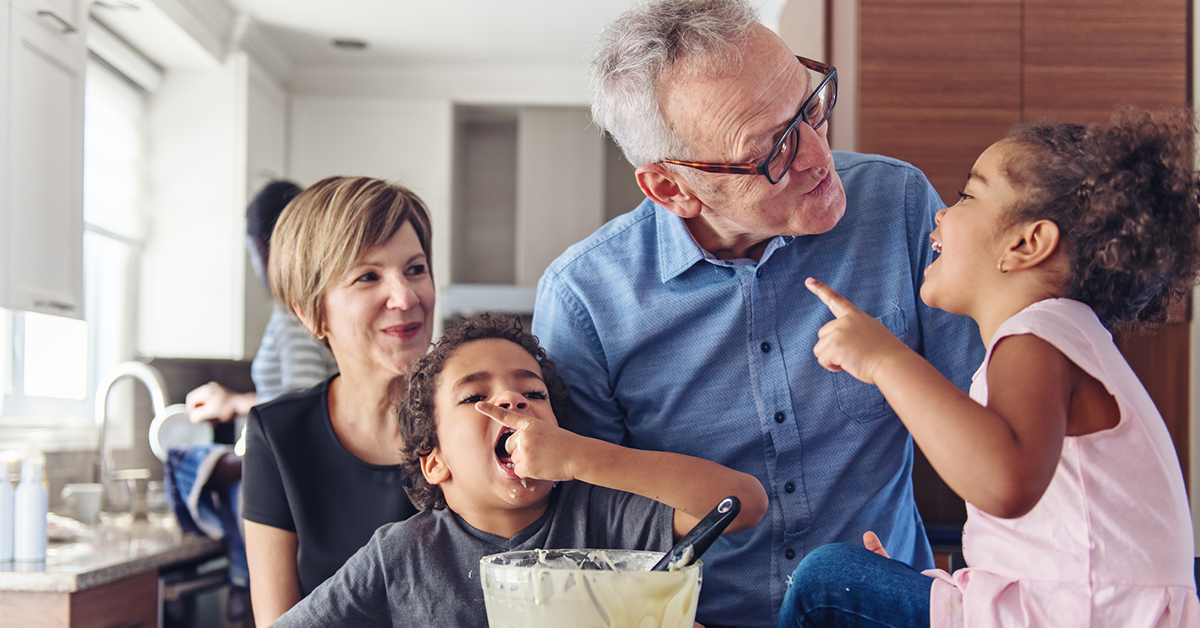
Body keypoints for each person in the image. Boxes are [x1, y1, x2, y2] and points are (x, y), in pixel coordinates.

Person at [531, 1, 983, 625]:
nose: (818, 155)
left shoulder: (898, 205)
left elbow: (992, 423)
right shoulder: (584, 302)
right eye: (771, 151)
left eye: (810, 108)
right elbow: (590, 520)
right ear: (672, 188)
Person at [785, 109, 1200, 627]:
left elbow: (1005, 483)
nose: (941, 214)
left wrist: (885, 358)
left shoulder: (1038, 336)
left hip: (1080, 612)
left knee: (824, 582)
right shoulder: (1061, 339)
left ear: (1026, 244)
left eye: (967, 195)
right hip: (1063, 604)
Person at [273, 313, 768, 627]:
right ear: (435, 462)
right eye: (475, 397)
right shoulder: (400, 556)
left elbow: (743, 502)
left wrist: (583, 457)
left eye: (533, 394)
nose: (511, 399)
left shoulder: (605, 517)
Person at [241, 176, 435, 626]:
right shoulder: (277, 435)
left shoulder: (474, 418)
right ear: (311, 313)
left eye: (415, 269)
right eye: (368, 276)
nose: (405, 297)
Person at [185, 180, 338, 426]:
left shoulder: (294, 310)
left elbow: (302, 402)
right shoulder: (316, 303)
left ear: (263, 248)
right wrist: (235, 401)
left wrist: (235, 403)